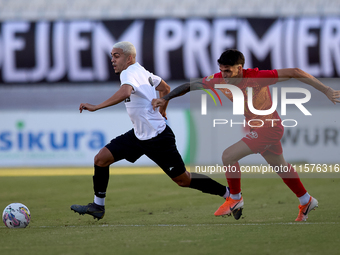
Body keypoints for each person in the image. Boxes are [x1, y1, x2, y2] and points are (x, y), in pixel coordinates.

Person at [152, 49, 340, 221]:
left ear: (240, 68)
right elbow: (189, 86)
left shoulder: (257, 77)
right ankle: (306, 200)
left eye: (228, 71)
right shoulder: (218, 79)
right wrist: (165, 98)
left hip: (269, 128)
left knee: (228, 155)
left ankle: (235, 197)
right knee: (281, 167)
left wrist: (327, 90)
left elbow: (296, 72)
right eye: (221, 70)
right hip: (257, 128)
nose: (224, 75)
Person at [70, 41, 229, 220]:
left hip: (157, 137)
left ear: (128, 57)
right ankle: (98, 206)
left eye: (116, 56)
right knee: (101, 159)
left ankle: (227, 193)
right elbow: (165, 88)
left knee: (183, 180)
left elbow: (125, 92)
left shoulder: (129, 73)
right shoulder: (141, 71)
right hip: (138, 135)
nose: (112, 60)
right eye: (111, 56)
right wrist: (163, 107)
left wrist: (97, 107)